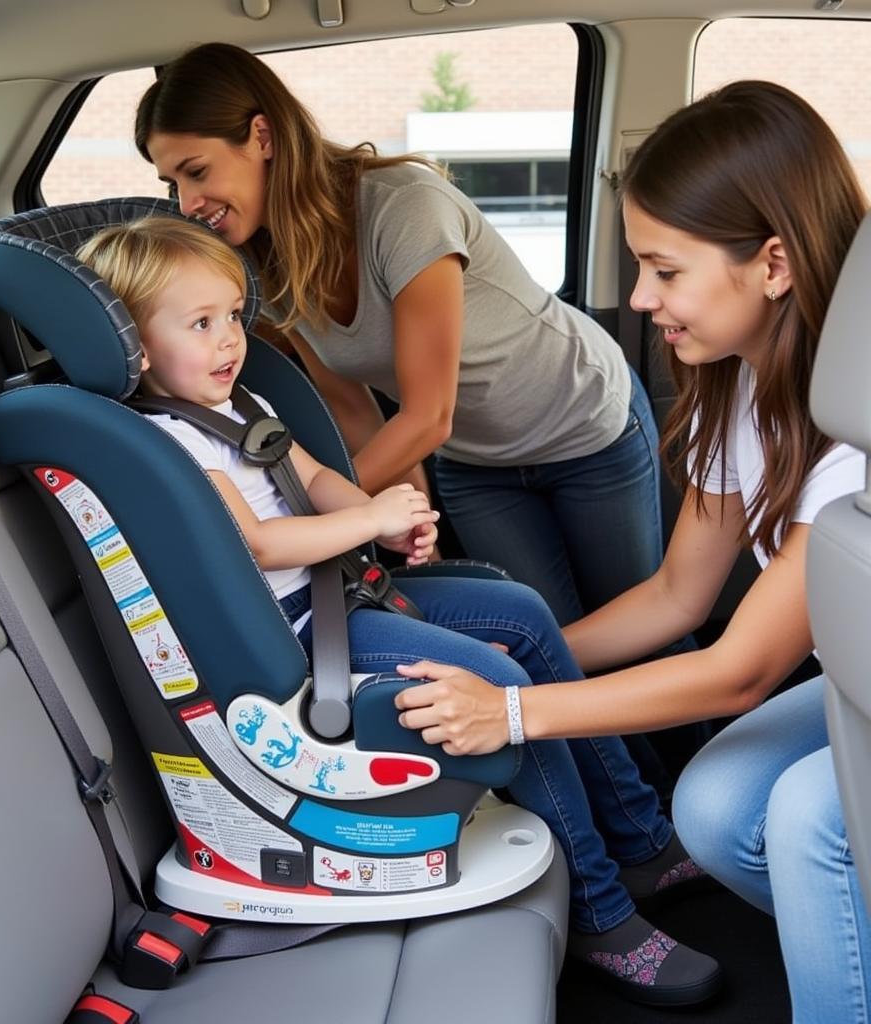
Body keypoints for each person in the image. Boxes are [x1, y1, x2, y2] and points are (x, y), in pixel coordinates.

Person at [76, 215, 722, 1007]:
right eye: (200, 324)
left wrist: (386, 515)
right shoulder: (161, 440)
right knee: (497, 679)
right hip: (302, 638)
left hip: (341, 593)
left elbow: (312, 479)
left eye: (234, 317)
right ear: (136, 347)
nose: (228, 341)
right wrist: (367, 523)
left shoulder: (235, 401)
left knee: (521, 611)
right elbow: (260, 545)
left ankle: (640, 837)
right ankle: (599, 908)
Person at [392, 80, 870, 1024]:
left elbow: (739, 672)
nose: (642, 299)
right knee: (715, 809)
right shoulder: (740, 388)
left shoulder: (848, 423)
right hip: (853, 679)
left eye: (664, 270)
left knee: (810, 823)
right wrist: (508, 654)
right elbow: (676, 599)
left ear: (773, 263)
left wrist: (514, 713)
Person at [131, 41, 669, 631]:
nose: (186, 203)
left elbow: (427, 414)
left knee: (642, 627)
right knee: (539, 630)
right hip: (474, 461)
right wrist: (402, 521)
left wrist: (323, 519)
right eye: (172, 182)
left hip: (581, 424)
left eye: (197, 171)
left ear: (262, 137)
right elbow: (354, 408)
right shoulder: (260, 267)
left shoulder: (405, 209)